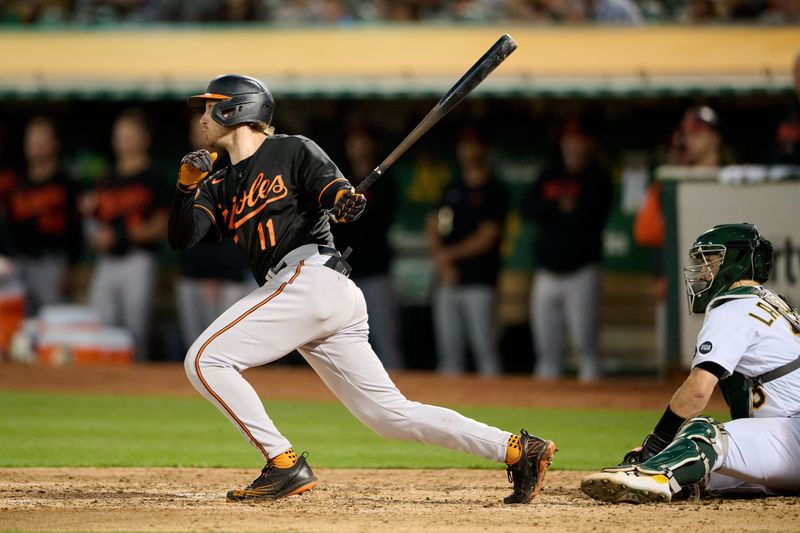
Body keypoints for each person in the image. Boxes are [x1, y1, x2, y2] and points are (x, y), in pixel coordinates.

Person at [169, 74, 556, 503]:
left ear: (234, 110)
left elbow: (332, 188)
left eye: (209, 107)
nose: (202, 116)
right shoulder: (220, 184)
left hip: (311, 276)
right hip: (314, 291)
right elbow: (184, 237)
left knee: (205, 359)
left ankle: (282, 463)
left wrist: (342, 201)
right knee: (389, 416)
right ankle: (518, 450)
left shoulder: (291, 149)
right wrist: (186, 189)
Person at [582, 223, 800, 503]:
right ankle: (671, 473)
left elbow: (698, 390)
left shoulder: (734, 308)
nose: (703, 271)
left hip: (792, 436)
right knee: (697, 466)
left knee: (703, 434)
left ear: (736, 261)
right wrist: (671, 449)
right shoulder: (771, 303)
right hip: (789, 440)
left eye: (710, 261)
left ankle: (656, 475)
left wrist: (656, 445)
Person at [522, 115, 613, 381]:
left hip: (581, 273)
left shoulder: (597, 177)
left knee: (586, 349)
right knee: (546, 354)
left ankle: (597, 409)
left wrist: (561, 211)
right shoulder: (549, 173)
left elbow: (589, 216)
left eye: (579, 140)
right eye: (569, 139)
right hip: (546, 274)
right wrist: (557, 207)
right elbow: (527, 208)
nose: (573, 145)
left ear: (589, 144)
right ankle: (543, 411)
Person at [83, 108, 170, 361]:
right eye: (119, 135)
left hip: (138, 260)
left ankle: (135, 389)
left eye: (129, 135)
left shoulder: (154, 177)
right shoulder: (107, 177)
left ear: (145, 139)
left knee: (135, 333)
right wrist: (95, 230)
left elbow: (161, 226)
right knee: (100, 330)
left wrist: (120, 237)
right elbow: (96, 220)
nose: (123, 140)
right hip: (108, 262)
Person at [426, 125, 507, 376]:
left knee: (485, 350)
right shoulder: (452, 187)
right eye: (465, 145)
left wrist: (447, 256)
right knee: (449, 355)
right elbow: (433, 224)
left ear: (485, 149)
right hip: (448, 280)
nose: (469, 151)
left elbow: (487, 237)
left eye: (474, 145)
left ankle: (499, 408)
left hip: (479, 281)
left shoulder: (494, 189)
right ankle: (448, 411)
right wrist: (443, 262)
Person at [174, 116, 252, 352]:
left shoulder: (235, 167)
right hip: (191, 272)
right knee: (194, 347)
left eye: (206, 126)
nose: (201, 131)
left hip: (228, 275)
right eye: (196, 128)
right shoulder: (185, 172)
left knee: (227, 347)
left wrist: (214, 273)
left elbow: (235, 225)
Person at [331, 121, 403, 369]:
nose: (356, 146)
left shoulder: (385, 181)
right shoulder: (338, 180)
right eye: (353, 140)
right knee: (344, 341)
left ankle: (399, 393)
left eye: (362, 140)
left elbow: (377, 219)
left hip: (375, 268)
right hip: (344, 272)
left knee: (385, 338)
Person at [0, 116, 82, 315]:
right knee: (18, 326)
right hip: (19, 263)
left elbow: (76, 228)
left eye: (42, 139)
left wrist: (71, 268)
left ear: (55, 143)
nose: (36, 145)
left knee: (54, 322)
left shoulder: (66, 182)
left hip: (52, 264)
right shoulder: (16, 184)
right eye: (32, 140)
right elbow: (7, 226)